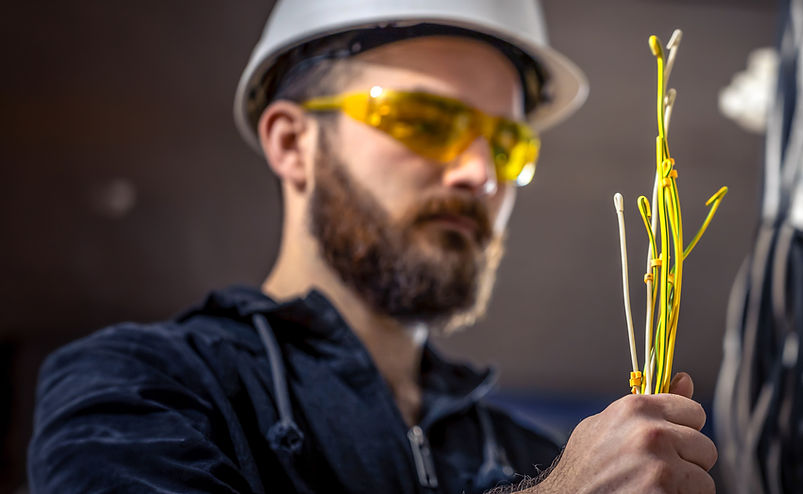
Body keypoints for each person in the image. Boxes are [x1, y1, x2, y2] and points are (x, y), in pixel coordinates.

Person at [28, 1, 717, 492]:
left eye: (509, 144)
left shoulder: (530, 454)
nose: (480, 173)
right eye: (423, 120)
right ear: (293, 143)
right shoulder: (143, 390)